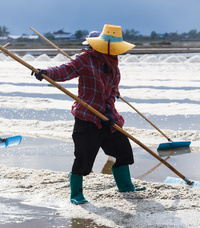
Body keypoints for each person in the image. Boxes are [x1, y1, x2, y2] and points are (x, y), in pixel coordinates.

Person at [32, 24, 145, 205]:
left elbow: (111, 93)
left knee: (122, 149)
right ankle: (76, 194)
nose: (114, 53)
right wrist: (46, 73)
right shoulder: (85, 59)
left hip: (107, 119)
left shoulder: (114, 67)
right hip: (87, 117)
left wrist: (108, 112)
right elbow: (66, 69)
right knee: (84, 157)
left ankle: (126, 186)